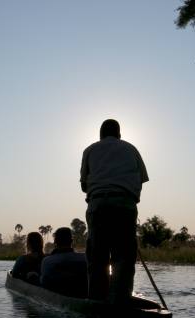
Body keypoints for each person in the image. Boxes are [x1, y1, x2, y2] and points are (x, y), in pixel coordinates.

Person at [80, 119, 148, 305]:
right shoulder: (131, 149)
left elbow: (84, 185)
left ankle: (97, 302)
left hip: (99, 204)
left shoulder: (90, 150)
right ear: (119, 134)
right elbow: (142, 179)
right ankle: (121, 300)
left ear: (100, 135)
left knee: (97, 257)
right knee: (124, 258)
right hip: (125, 205)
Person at [40, 227, 88, 298]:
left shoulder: (47, 261)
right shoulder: (84, 258)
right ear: (71, 241)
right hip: (81, 294)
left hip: (57, 295)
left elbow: (43, 282)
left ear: (55, 242)